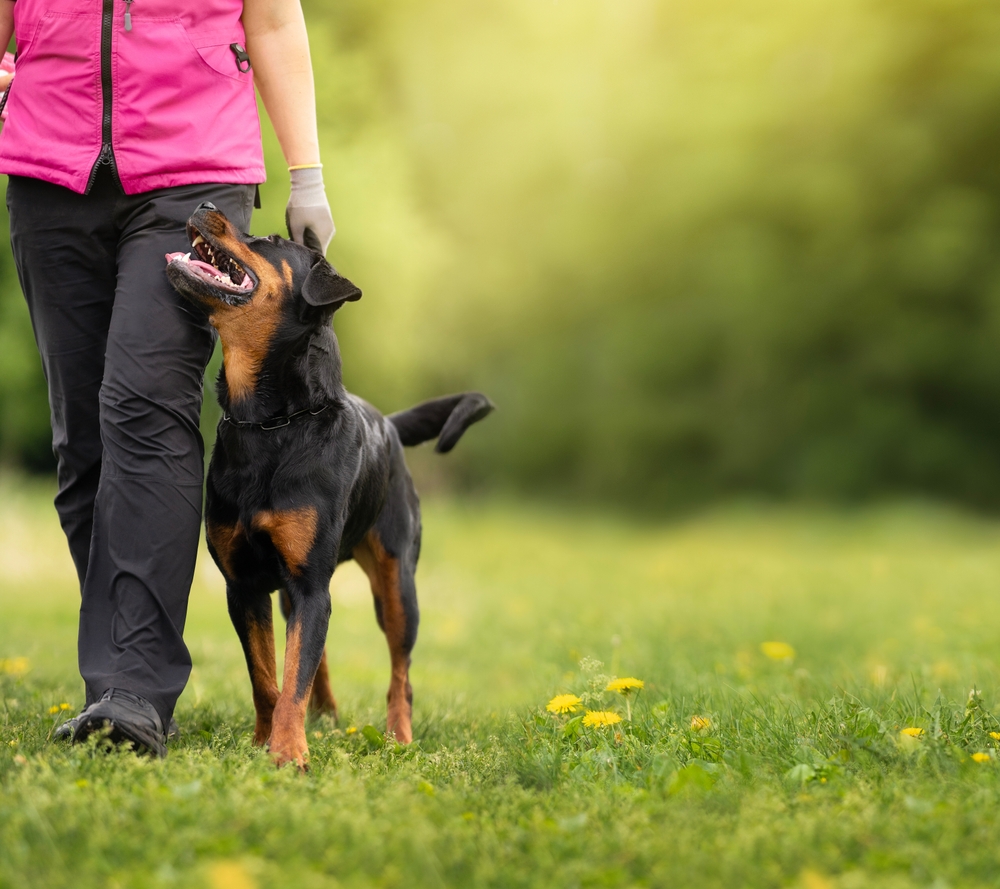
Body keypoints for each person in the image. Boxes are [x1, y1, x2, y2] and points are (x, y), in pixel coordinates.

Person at [0, 0, 335, 756]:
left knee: (144, 406)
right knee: (83, 437)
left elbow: (275, 21)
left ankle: (137, 690)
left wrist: (307, 171)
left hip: (193, 173)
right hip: (49, 168)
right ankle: (113, 678)